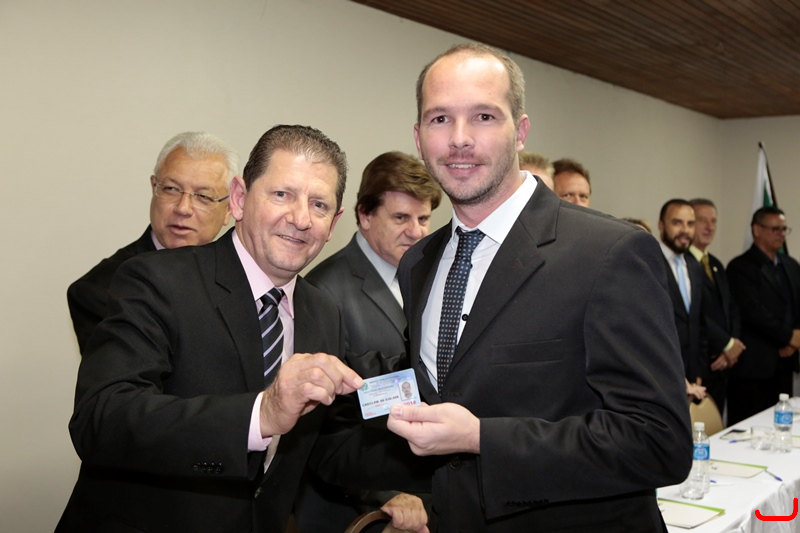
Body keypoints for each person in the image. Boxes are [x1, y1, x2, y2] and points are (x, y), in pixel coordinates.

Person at [381, 43, 691, 531]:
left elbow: (659, 442)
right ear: (419, 138)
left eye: (484, 116)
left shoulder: (609, 252)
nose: (459, 139)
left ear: (521, 131)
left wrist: (482, 438)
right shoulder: (420, 261)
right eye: (440, 119)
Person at [56, 125, 427, 533]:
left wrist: (441, 453)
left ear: (334, 222)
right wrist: (260, 415)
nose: (301, 219)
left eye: (319, 204)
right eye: (282, 194)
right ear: (238, 198)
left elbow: (323, 449)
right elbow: (101, 420)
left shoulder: (323, 313)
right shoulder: (157, 281)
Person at [298, 151, 441, 532]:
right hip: (357, 508)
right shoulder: (323, 293)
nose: (416, 232)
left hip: (425, 496)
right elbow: (319, 430)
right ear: (364, 215)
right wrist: (385, 495)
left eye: (423, 219)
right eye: (401, 218)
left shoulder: (427, 278)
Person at [67, 131, 236, 354]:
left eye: (203, 196)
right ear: (154, 188)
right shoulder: (100, 292)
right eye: (171, 189)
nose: (183, 208)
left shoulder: (245, 277)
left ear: (229, 209)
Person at [726, 206, 800, 425]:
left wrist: (795, 339)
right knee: (750, 428)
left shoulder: (791, 265)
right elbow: (754, 312)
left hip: (785, 365)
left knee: (782, 426)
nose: (781, 234)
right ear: (756, 230)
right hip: (753, 368)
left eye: (784, 229)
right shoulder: (740, 267)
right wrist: (788, 337)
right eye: (775, 229)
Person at [688, 198, 745, 412]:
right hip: (700, 364)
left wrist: (733, 346)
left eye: (713, 221)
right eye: (702, 220)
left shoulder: (716, 264)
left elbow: (732, 308)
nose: (709, 227)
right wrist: (727, 345)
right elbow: (696, 314)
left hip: (723, 366)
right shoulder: (682, 263)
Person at [658, 199, 708, 402]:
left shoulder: (695, 266)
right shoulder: (650, 264)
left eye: (690, 224)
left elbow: (699, 323)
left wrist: (698, 371)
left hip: (693, 377)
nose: (685, 230)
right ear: (661, 225)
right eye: (677, 222)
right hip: (662, 376)